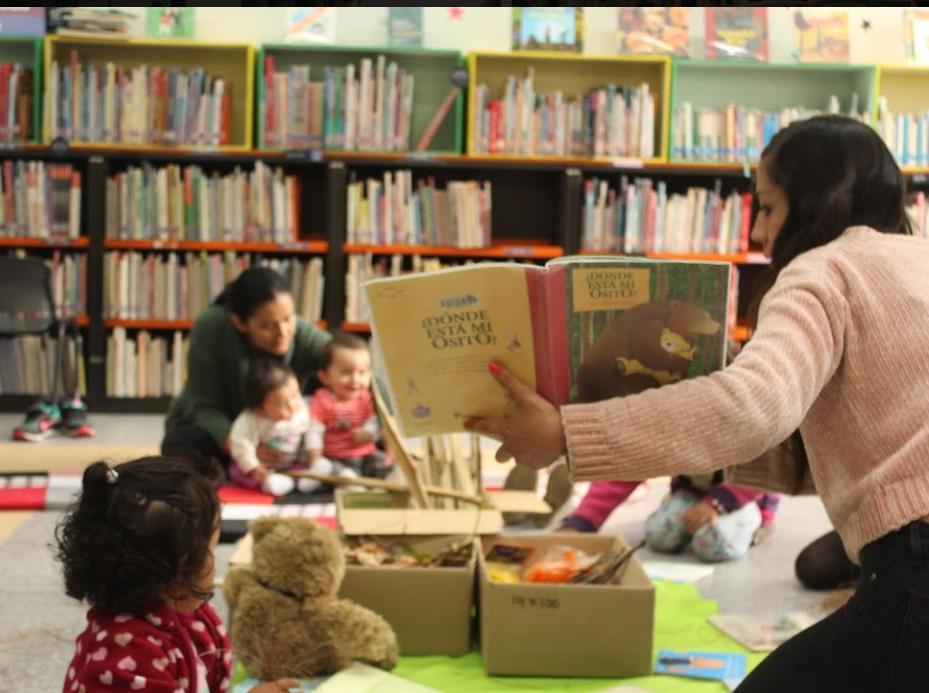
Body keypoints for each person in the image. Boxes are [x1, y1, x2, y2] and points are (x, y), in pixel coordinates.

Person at [465, 115, 929, 690]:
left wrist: (565, 432)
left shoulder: (821, 269)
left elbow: (754, 407)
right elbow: (860, 440)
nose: (756, 234)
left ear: (816, 203)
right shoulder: (918, 259)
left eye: (766, 208)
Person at [55, 455, 297, 692]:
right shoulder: (128, 654)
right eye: (211, 551)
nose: (216, 563)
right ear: (180, 567)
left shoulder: (183, 614)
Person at [162, 267, 330, 473]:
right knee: (182, 447)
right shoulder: (211, 328)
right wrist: (242, 448)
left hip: (281, 431)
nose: (283, 333)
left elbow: (352, 364)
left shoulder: (302, 333)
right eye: (268, 326)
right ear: (239, 323)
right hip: (226, 428)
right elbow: (204, 406)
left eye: (288, 319)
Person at [561, 477, 779, 563]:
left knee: (713, 543)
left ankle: (760, 521)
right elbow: (627, 467)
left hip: (745, 494)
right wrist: (581, 522)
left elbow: (766, 463)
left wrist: (717, 504)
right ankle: (686, 507)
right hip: (695, 491)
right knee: (659, 535)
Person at [227, 359, 322, 497]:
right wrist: (256, 469)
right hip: (264, 466)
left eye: (295, 395)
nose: (292, 405)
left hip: (292, 464)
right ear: (259, 408)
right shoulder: (250, 421)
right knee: (237, 470)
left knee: (303, 469)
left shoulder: (302, 409)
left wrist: (313, 456)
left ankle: (307, 478)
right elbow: (241, 445)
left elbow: (313, 430)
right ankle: (271, 482)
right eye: (282, 404)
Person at [307, 333, 388, 481]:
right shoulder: (322, 400)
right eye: (346, 372)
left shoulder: (365, 397)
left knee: (384, 463)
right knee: (328, 469)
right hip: (334, 457)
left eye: (362, 372)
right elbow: (314, 430)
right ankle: (342, 478)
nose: (355, 379)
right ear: (325, 377)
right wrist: (314, 457)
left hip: (364, 454)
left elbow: (373, 421)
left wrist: (369, 433)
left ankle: (359, 478)